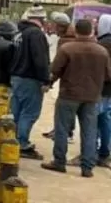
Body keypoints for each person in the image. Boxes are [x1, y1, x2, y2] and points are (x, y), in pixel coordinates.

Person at [41, 18, 111, 178]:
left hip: (69, 94)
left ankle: (59, 162)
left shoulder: (67, 48)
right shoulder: (102, 51)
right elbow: (108, 75)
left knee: (62, 128)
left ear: (76, 31)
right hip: (92, 97)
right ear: (91, 31)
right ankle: (87, 167)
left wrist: (48, 83)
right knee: (89, 131)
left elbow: (55, 70)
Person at [9, 6, 52, 160]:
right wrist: (45, 79)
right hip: (30, 79)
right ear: (42, 20)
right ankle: (22, 143)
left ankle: (11, 140)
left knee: (16, 112)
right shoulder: (36, 34)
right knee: (30, 113)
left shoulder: (18, 33)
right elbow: (40, 59)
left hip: (16, 78)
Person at [43, 11, 76, 142]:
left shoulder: (65, 41)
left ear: (61, 26)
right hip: (72, 80)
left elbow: (59, 65)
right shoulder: (69, 37)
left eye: (55, 25)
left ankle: (65, 133)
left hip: (69, 81)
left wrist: (50, 81)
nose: (53, 28)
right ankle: (61, 130)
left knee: (65, 107)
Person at [96, 14, 111, 168]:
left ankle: (92, 152)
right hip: (108, 90)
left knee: (93, 120)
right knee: (105, 119)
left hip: (100, 87)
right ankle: (105, 153)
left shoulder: (103, 44)